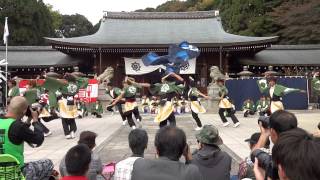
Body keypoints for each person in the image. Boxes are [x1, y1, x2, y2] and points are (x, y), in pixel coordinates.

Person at [0, 96, 54, 179]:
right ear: (25, 111)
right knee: (48, 163)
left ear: (8, 107)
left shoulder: (14, 125)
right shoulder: (18, 126)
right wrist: (35, 120)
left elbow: (18, 131)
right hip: (16, 173)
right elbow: (38, 140)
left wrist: (28, 120)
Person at [131, 126, 202, 180]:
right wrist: (188, 157)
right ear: (184, 149)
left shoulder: (138, 166)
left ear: (156, 149)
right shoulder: (192, 172)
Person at [252, 110, 298, 180]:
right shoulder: (305, 146)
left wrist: (264, 134)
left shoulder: (282, 156)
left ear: (273, 131)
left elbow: (254, 156)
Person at [43, 73, 89, 139]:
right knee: (71, 117)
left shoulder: (64, 84)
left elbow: (55, 81)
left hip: (64, 101)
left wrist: (46, 77)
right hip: (72, 101)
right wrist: (76, 78)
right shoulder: (76, 84)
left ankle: (67, 133)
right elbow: (86, 80)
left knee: (64, 118)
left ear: (66, 79)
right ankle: (72, 131)